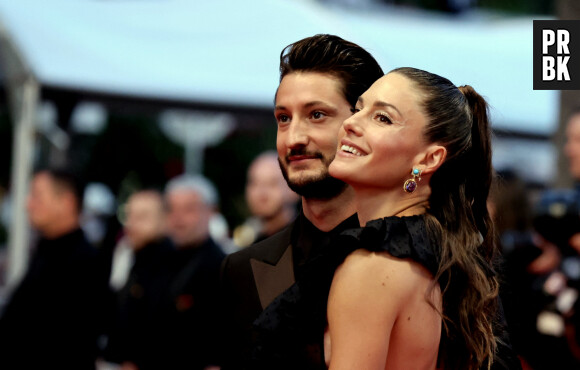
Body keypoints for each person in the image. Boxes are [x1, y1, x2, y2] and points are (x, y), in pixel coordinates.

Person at [220, 34, 384, 369]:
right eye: (283, 118)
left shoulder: (431, 260)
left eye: (317, 115)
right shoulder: (241, 271)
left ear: (365, 125)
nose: (294, 138)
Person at [322, 67, 501, 369]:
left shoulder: (373, 267)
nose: (350, 123)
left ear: (429, 159)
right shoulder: (439, 252)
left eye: (383, 118)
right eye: (359, 108)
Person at [0, 168, 106, 369]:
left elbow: (63, 344)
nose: (28, 205)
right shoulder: (46, 251)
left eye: (37, 196)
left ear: (66, 202)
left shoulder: (85, 264)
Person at [160, 174, 225, 370]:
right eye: (171, 209)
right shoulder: (157, 260)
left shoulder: (222, 268)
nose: (177, 218)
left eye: (188, 209)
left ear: (210, 212)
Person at [103, 189, 174, 369]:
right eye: (129, 216)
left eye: (142, 217)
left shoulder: (170, 267)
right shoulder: (131, 256)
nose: (131, 224)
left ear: (165, 220)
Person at [233, 150, 299, 248]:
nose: (261, 193)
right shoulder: (247, 245)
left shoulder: (307, 244)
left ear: (294, 190)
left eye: (272, 184)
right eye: (254, 183)